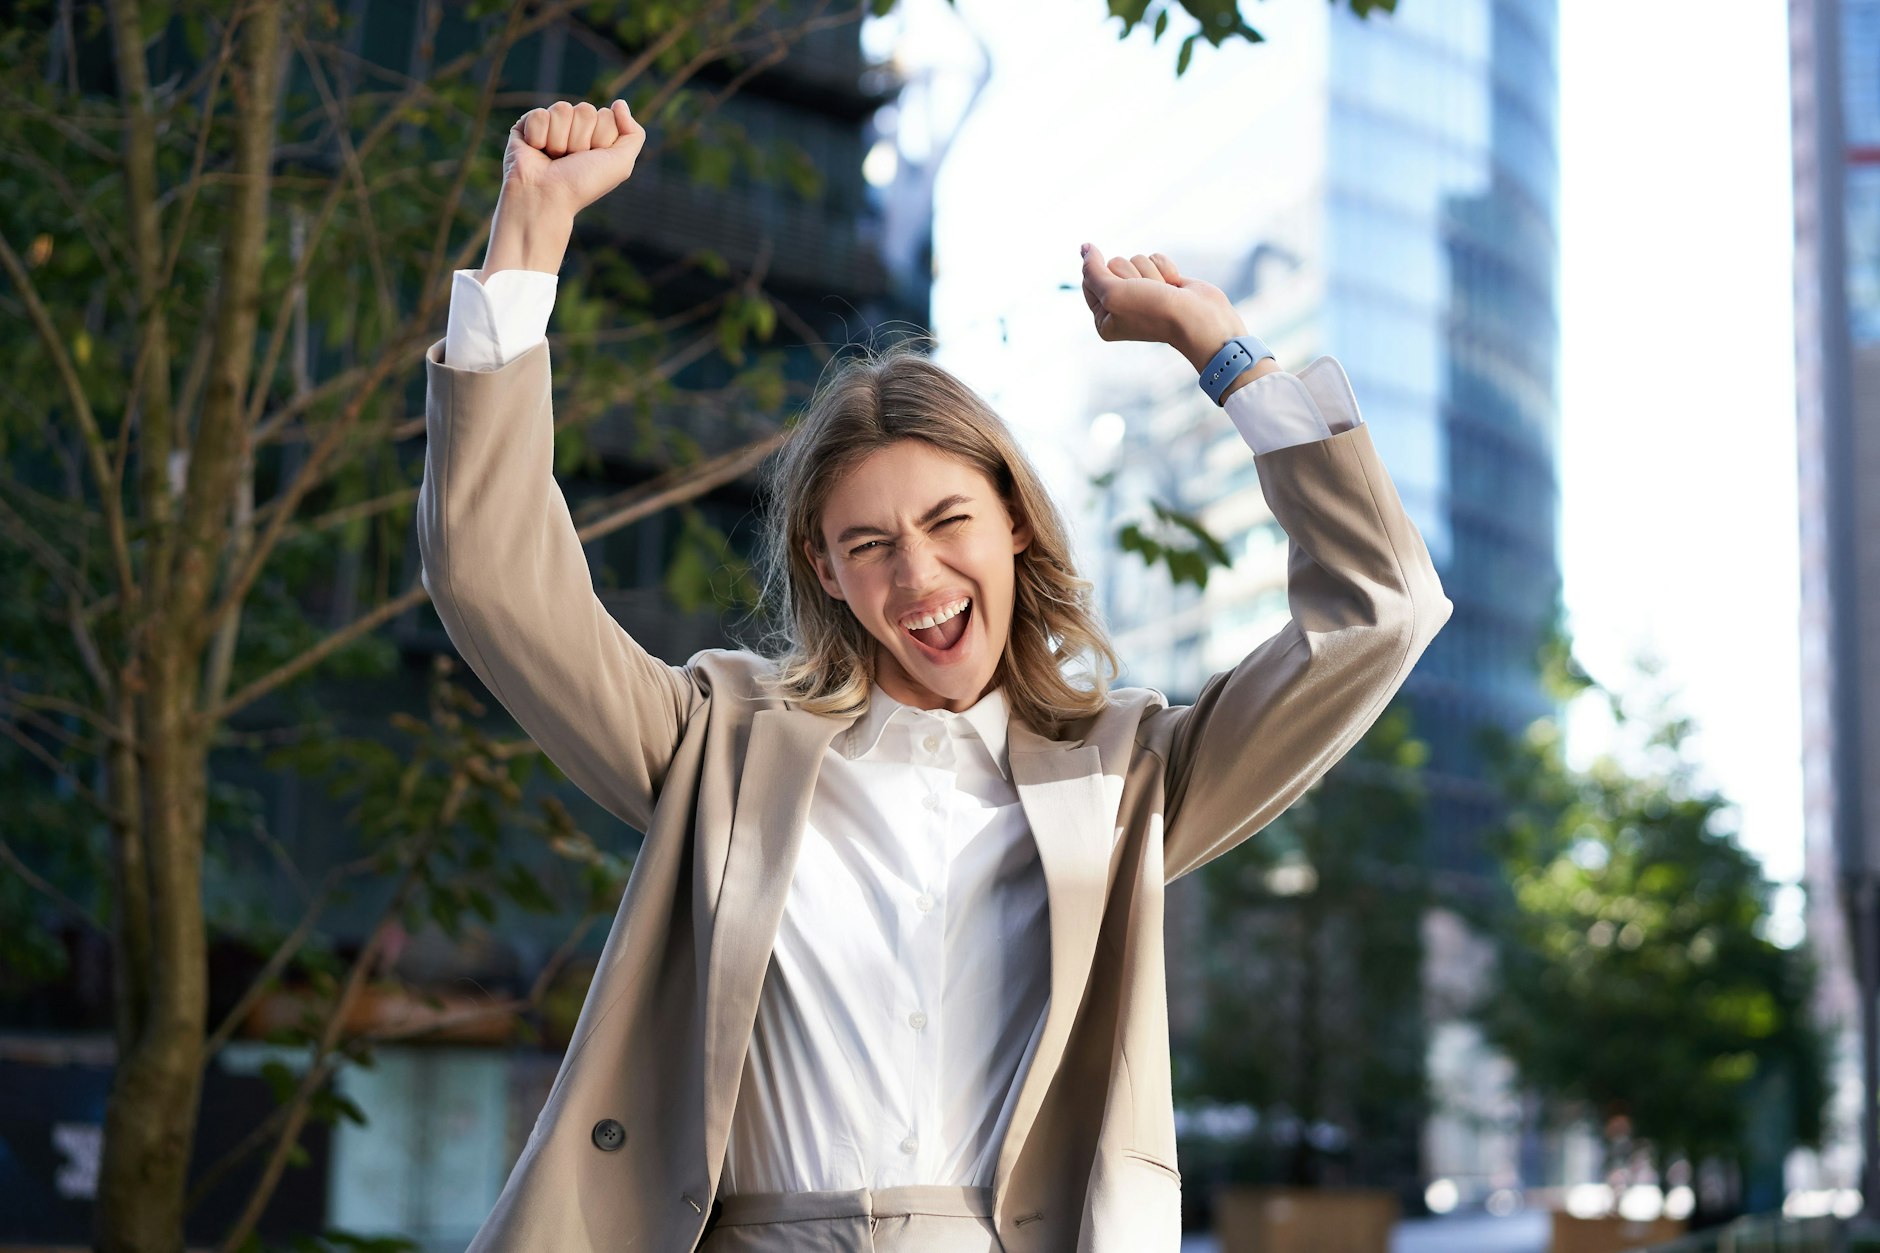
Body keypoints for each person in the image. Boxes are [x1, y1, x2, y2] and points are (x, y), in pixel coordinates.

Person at [416, 98, 1452, 1253]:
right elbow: (491, 574)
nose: (916, 575)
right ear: (826, 569)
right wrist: (532, 231)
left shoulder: (1128, 778)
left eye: (947, 518)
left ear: (1012, 518)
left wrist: (1220, 352)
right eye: (867, 545)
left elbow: (1379, 612)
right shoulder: (717, 741)